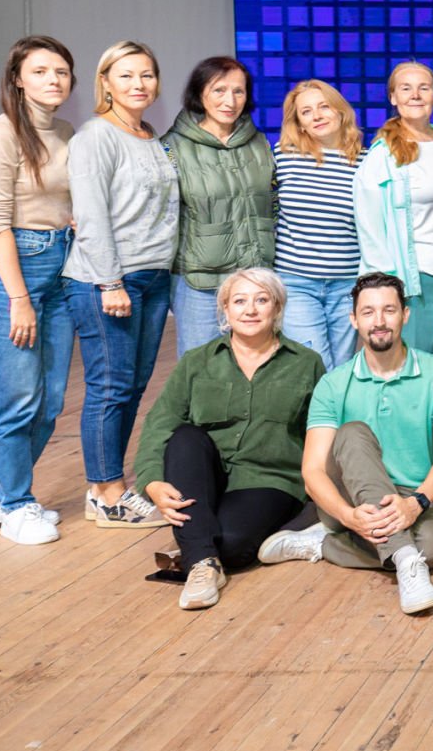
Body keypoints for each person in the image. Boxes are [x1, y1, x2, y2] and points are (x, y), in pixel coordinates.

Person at [257, 272, 433, 615]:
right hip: (350, 496)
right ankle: (404, 558)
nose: (379, 321)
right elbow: (313, 470)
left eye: (389, 310)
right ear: (354, 319)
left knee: (430, 550)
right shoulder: (333, 384)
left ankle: (324, 544)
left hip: (411, 495)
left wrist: (416, 504)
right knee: (352, 432)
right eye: (368, 312)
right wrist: (348, 516)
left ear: (405, 314)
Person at [133, 269, 324, 609]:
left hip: (270, 479)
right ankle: (203, 565)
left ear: (277, 307)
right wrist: (151, 482)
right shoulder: (197, 362)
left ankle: (200, 546)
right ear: (225, 308)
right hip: (207, 477)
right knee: (184, 437)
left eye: (261, 300)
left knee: (233, 547)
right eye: (239, 301)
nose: (250, 310)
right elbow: (159, 424)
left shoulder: (306, 364)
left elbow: (322, 433)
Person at [63, 40, 179, 529]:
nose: (138, 84)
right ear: (105, 82)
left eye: (147, 75)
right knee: (110, 388)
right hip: (108, 279)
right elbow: (90, 216)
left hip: (153, 276)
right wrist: (111, 282)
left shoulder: (150, 136)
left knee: (131, 386)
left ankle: (108, 485)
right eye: (126, 75)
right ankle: (107, 494)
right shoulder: (96, 137)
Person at [0, 36, 77, 545]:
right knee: (17, 399)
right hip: (10, 274)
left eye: (61, 71)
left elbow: (60, 201)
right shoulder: (2, 133)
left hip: (58, 268)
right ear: (17, 79)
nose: (53, 79)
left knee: (50, 401)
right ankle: (15, 506)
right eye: (40, 71)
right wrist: (18, 298)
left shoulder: (66, 132)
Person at [354, 61, 433, 359]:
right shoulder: (382, 155)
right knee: (412, 363)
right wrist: (385, 285)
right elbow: (370, 228)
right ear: (393, 97)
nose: (415, 95)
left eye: (424, 88)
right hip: (412, 279)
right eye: (406, 88)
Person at [165, 56, 276, 356]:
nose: (230, 100)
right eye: (219, 90)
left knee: (255, 365)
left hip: (255, 278)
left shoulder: (260, 143)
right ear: (199, 92)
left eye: (239, 91)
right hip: (200, 283)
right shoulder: (172, 147)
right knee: (201, 368)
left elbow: (274, 203)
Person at [273, 79, 365, 369]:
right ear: (299, 123)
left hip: (348, 283)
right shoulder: (283, 157)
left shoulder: (366, 161)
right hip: (296, 281)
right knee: (315, 364)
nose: (317, 116)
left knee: (342, 366)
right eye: (306, 111)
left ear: (340, 111)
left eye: (324, 106)